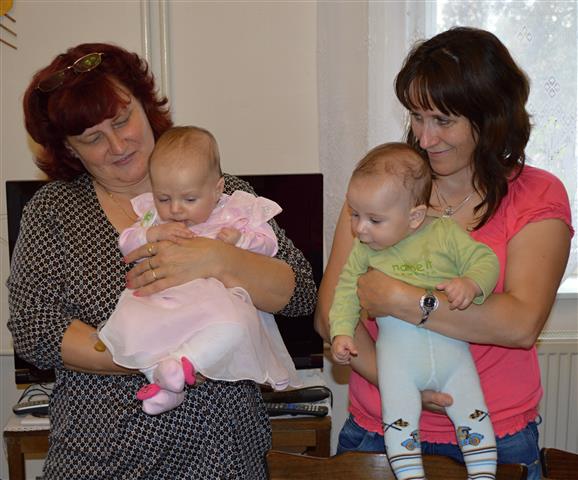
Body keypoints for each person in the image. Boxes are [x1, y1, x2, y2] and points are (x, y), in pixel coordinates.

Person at [8, 43, 316, 479]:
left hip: (222, 454)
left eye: (122, 120)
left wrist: (218, 258)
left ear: (145, 106)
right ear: (70, 149)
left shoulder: (222, 195)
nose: (118, 145)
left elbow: (300, 293)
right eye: (93, 138)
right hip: (101, 457)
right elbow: (34, 328)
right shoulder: (55, 210)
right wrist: (160, 359)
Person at [315, 27, 573, 480]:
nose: (425, 138)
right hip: (379, 431)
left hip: (495, 438)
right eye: (417, 117)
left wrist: (401, 299)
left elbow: (520, 324)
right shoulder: (382, 190)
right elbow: (330, 315)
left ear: (490, 116)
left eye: (442, 120)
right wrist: (398, 385)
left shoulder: (537, 195)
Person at [98, 125, 300, 415]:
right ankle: (161, 380)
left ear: (217, 190)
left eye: (189, 199)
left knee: (236, 326)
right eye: (164, 198)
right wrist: (151, 233)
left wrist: (240, 242)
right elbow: (126, 242)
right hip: (163, 303)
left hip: (211, 304)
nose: (175, 209)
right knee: (133, 328)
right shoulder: (154, 218)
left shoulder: (233, 213)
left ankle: (184, 363)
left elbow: (269, 246)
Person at [329, 142, 499, 480]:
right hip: (398, 363)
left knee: (473, 413)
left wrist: (472, 284)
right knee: (399, 418)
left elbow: (486, 260)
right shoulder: (365, 250)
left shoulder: (445, 233)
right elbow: (345, 292)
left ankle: (483, 474)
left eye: (374, 219)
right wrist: (342, 333)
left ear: (415, 217)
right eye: (355, 215)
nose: (360, 229)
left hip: (453, 358)